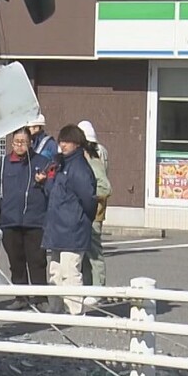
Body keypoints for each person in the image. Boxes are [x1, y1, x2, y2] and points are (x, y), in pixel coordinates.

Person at [37, 124, 97, 315]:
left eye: (67, 141)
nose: (63, 145)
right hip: (57, 227)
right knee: (55, 270)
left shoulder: (79, 167)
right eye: (61, 140)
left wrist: (82, 219)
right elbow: (52, 191)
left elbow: (89, 199)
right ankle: (56, 307)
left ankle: (74, 311)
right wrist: (46, 180)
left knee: (70, 271)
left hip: (73, 228)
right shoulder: (60, 164)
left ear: (77, 144)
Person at [0, 127, 52, 310]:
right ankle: (21, 297)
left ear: (30, 143)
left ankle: (41, 298)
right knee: (16, 260)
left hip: (35, 220)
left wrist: (44, 181)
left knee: (37, 260)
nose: (19, 146)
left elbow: (52, 188)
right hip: (9, 220)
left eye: (23, 142)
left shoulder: (42, 162)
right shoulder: (2, 164)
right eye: (16, 142)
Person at [78, 120, 110, 293]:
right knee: (87, 248)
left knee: (93, 249)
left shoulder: (94, 154)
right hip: (94, 208)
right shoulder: (101, 150)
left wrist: (89, 196)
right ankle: (91, 286)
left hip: (94, 208)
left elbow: (103, 185)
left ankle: (98, 287)